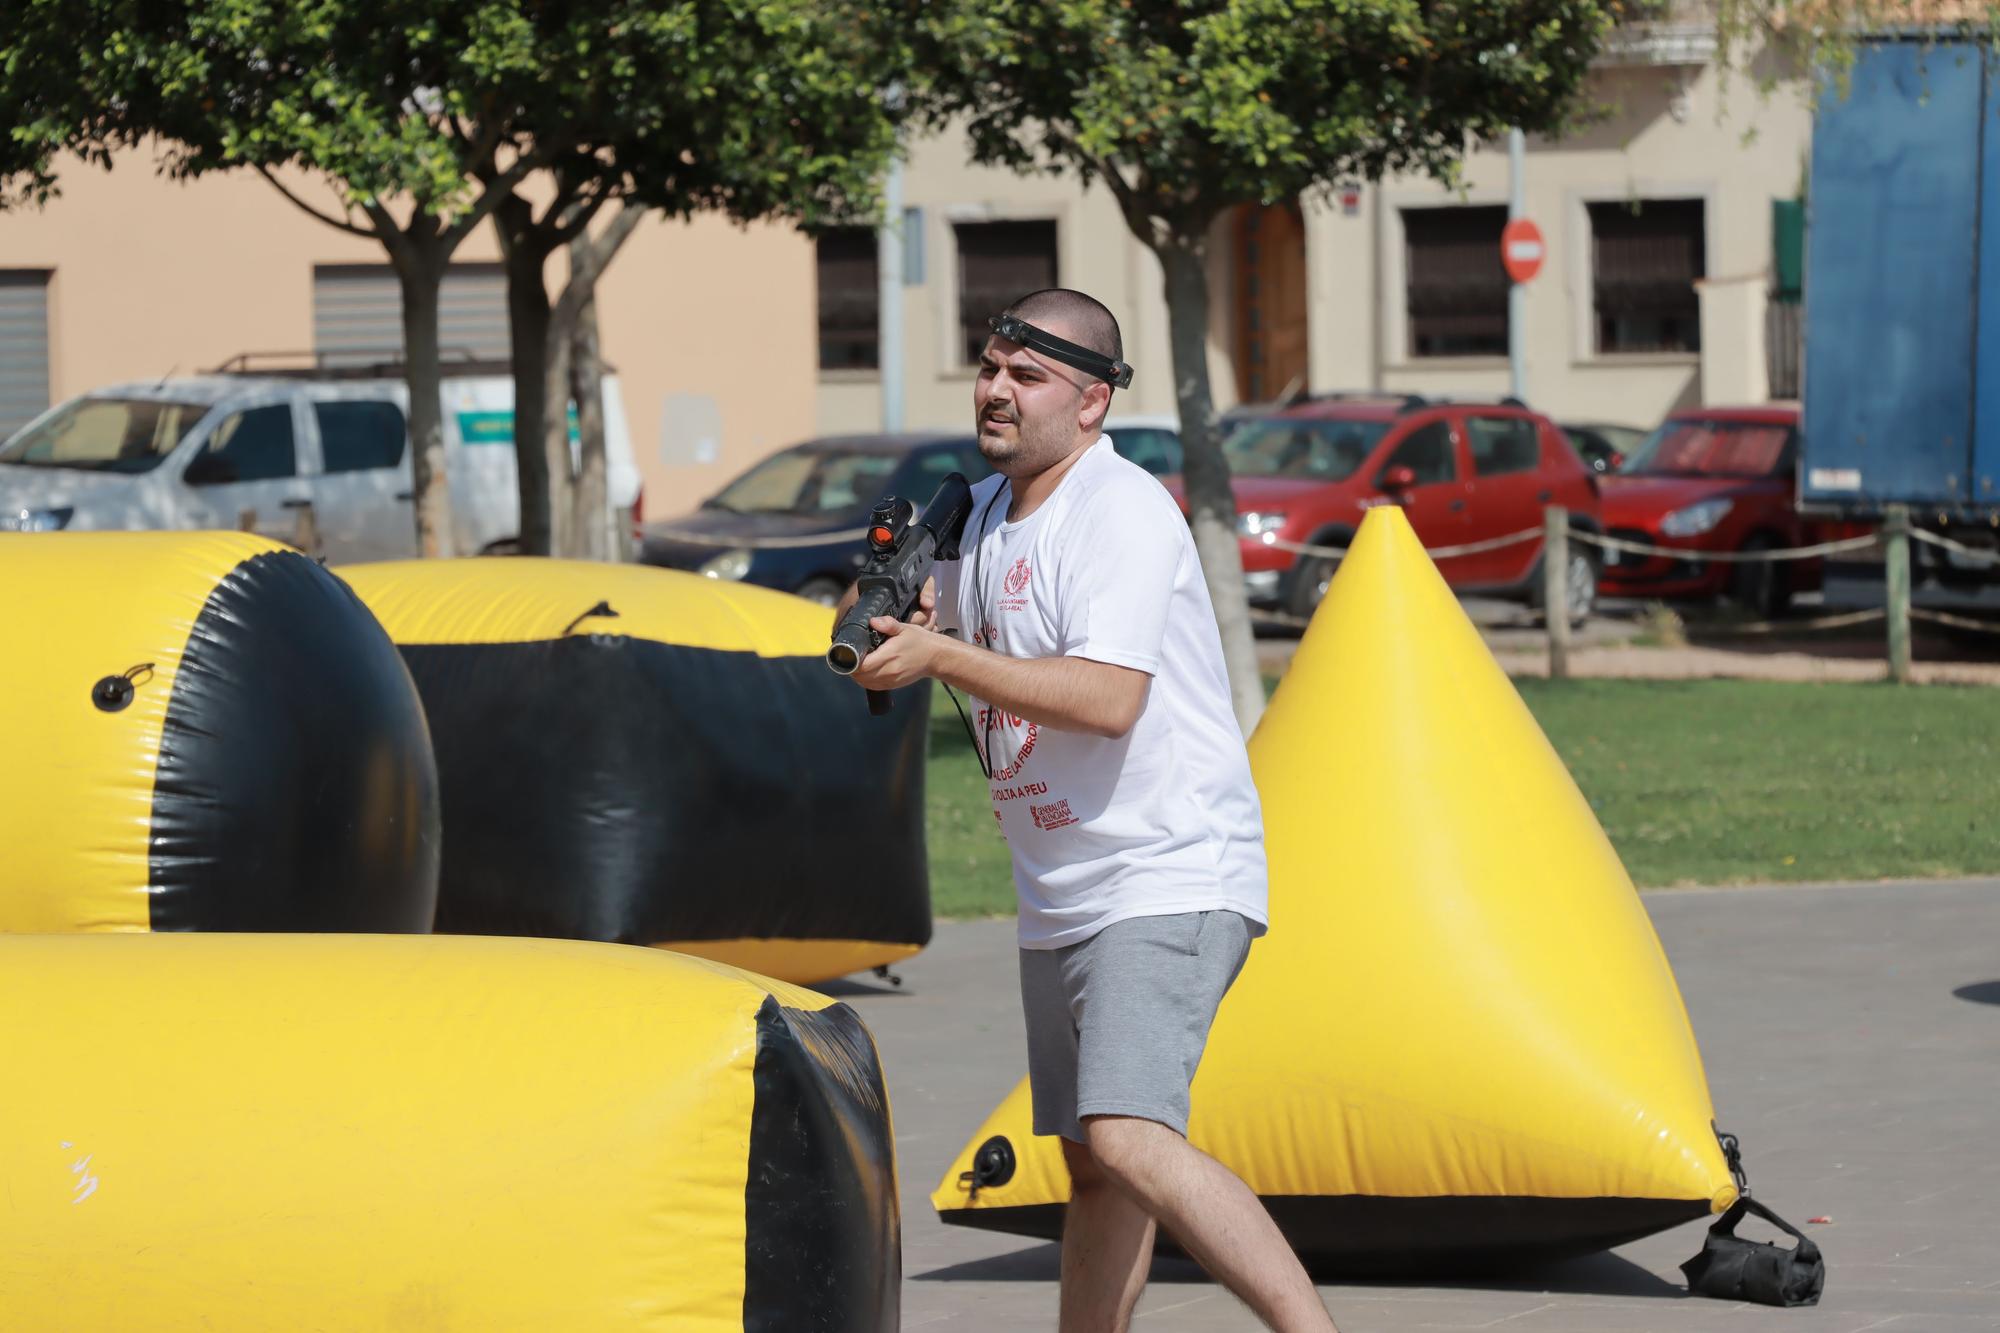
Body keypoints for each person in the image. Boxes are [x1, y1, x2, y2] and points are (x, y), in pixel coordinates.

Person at [840, 288, 1339, 1332]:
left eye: (1026, 377)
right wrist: (904, 642)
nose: (995, 391)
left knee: (1125, 1135)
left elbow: (1108, 699)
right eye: (987, 367)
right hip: (1060, 892)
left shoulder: (1117, 511)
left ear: (1092, 401)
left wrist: (941, 652)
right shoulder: (971, 521)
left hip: (1163, 872)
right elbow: (982, 678)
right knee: (1094, 1166)